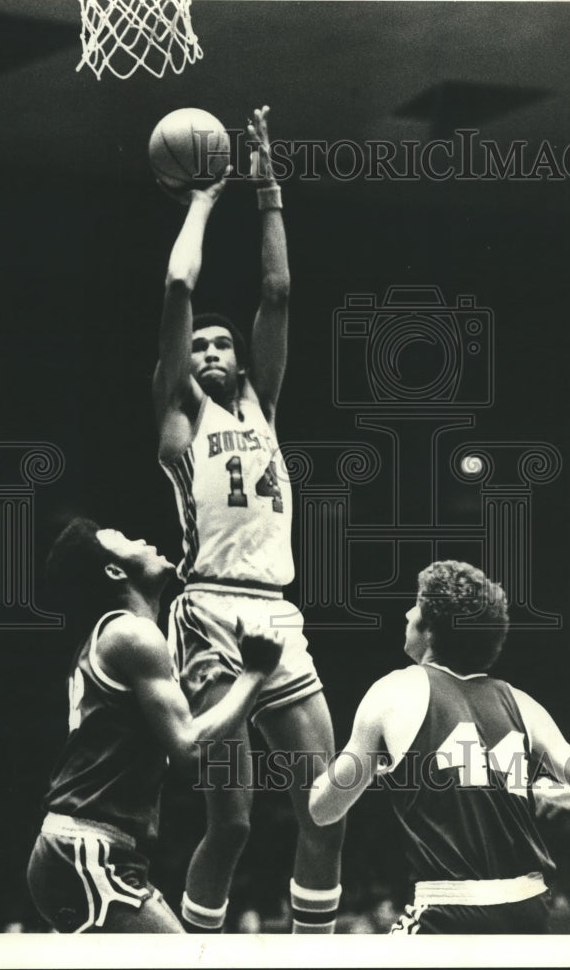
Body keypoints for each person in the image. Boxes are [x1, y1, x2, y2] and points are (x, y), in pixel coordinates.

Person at [152, 105, 344, 933]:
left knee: (327, 803)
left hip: (278, 609)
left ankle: (314, 949)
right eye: (198, 348)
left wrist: (267, 184)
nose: (210, 354)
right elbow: (177, 289)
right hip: (209, 611)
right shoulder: (180, 420)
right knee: (229, 822)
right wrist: (202, 200)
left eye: (221, 346)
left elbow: (279, 289)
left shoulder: (263, 406)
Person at [309, 560, 570, 935]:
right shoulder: (524, 704)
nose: (407, 612)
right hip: (530, 909)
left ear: (430, 629)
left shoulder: (394, 691)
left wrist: (353, 766)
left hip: (448, 909)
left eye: (415, 605)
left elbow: (322, 809)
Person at [26, 517, 283, 934]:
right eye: (126, 537)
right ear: (114, 571)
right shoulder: (134, 635)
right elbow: (188, 750)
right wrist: (255, 674)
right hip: (87, 851)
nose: (142, 537)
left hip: (87, 852)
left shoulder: (115, 640)